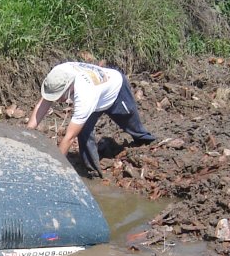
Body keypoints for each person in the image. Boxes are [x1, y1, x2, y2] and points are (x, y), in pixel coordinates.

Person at [26, 60, 156, 175]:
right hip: (96, 94)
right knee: (83, 131)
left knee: (131, 123)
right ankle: (92, 170)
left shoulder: (84, 95)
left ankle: (147, 142)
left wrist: (54, 167)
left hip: (116, 91)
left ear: (69, 88)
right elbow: (44, 103)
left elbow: (69, 137)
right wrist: (27, 134)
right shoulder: (58, 74)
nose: (56, 100)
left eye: (58, 97)